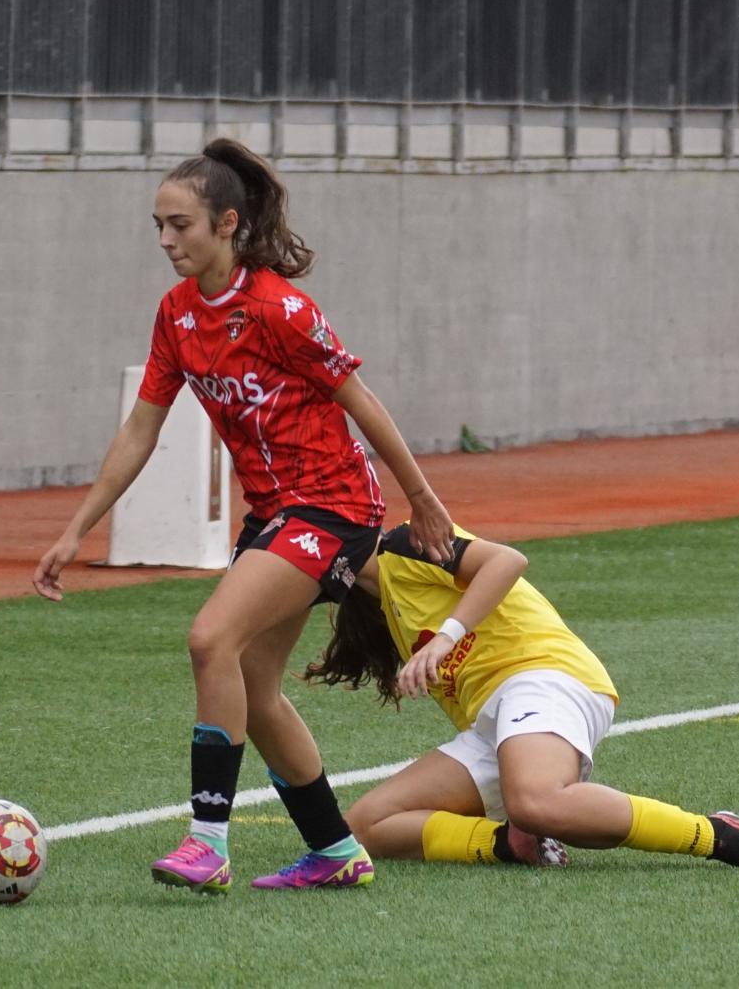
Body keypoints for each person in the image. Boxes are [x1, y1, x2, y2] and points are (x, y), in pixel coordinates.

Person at [32, 138, 456, 894]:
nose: (166, 240)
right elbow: (141, 429)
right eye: (158, 226)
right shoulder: (178, 315)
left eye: (181, 225)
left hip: (335, 508)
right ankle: (334, 848)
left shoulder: (280, 309)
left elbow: (361, 401)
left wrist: (421, 498)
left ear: (228, 224)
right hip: (273, 513)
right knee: (254, 691)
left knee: (209, 637)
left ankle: (207, 841)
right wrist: (76, 528)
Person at [306, 523, 739, 872]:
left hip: (544, 676)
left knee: (536, 799)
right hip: (494, 719)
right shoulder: (382, 601)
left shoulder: (407, 543)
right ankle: (510, 845)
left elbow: (508, 560)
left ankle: (719, 836)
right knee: (366, 828)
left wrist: (446, 636)